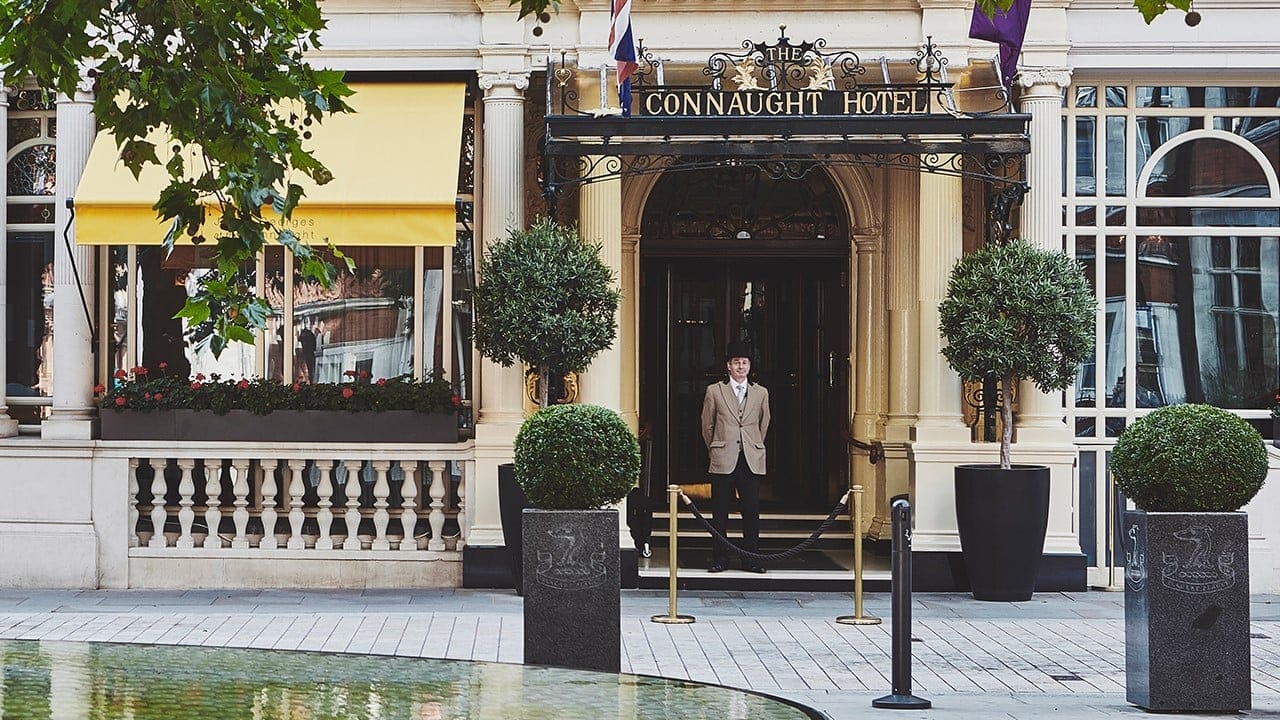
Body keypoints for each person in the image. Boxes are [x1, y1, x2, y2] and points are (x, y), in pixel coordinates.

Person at [701, 340, 770, 573]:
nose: (740, 367)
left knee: (751, 510)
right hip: (723, 456)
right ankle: (720, 558)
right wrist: (716, 447)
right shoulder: (714, 391)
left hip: (751, 457)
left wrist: (754, 444)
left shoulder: (761, 393)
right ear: (728, 366)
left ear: (749, 366)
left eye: (744, 363)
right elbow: (707, 425)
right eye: (736, 363)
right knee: (720, 511)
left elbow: (764, 423)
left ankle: (750, 558)